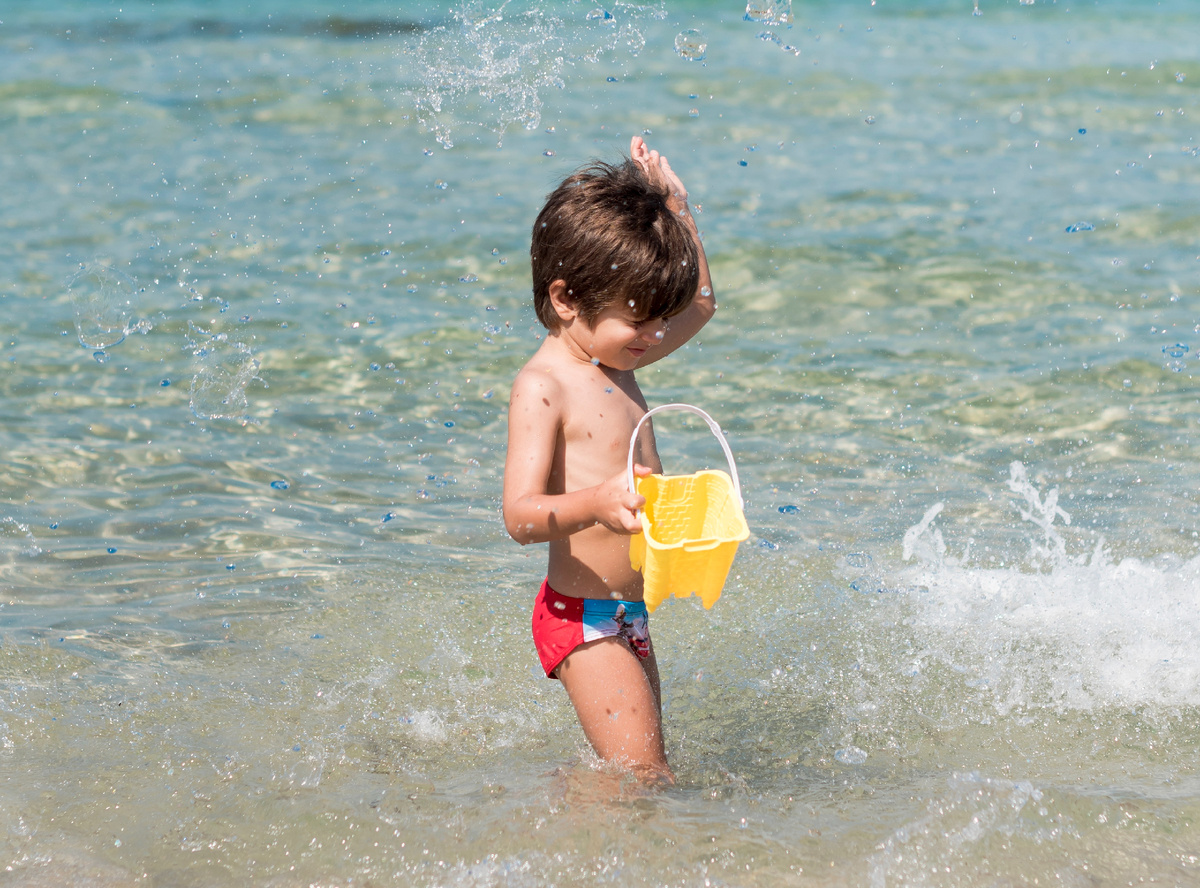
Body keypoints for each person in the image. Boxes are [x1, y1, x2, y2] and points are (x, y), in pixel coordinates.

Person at [502, 136, 716, 782]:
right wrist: (596, 503)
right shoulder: (545, 385)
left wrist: (678, 208)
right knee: (643, 776)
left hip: (629, 612)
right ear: (567, 299)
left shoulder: (614, 356)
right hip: (581, 617)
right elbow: (519, 515)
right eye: (641, 320)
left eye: (660, 321)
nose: (656, 337)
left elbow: (702, 305)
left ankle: (584, 833)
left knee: (642, 770)